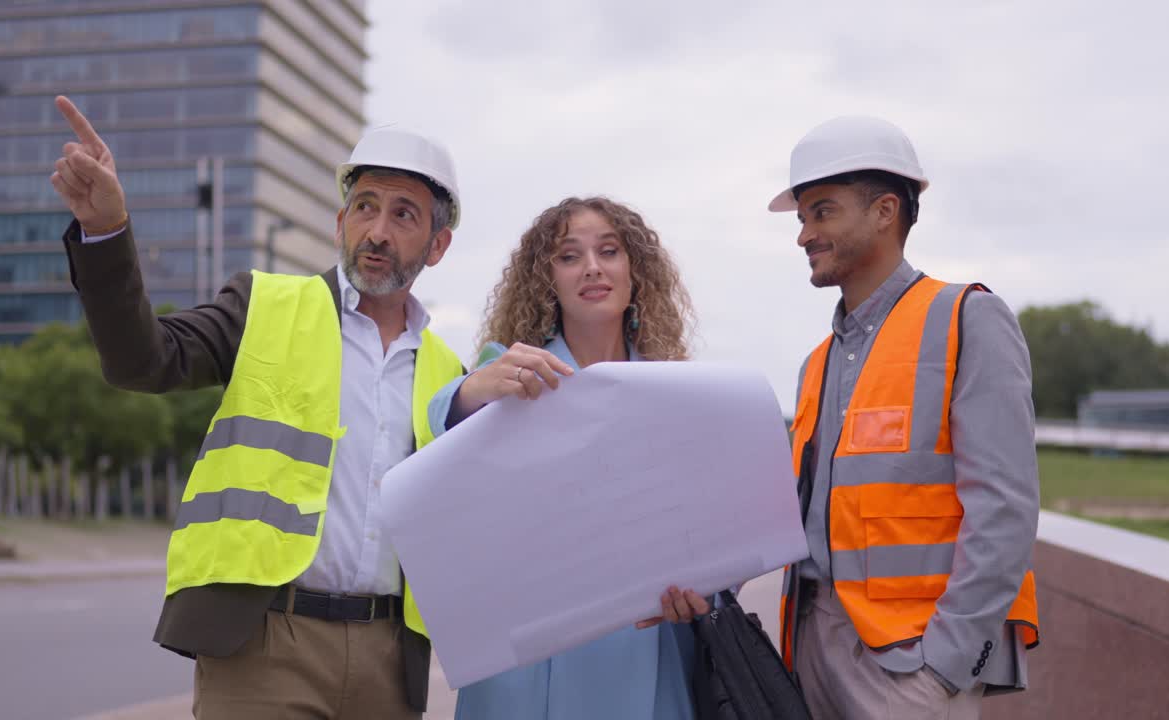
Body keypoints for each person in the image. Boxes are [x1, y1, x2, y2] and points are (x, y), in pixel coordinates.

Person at [48, 95, 467, 719]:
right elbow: (142, 360)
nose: (377, 231)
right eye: (365, 206)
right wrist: (106, 233)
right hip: (265, 644)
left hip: (389, 658)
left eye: (403, 214)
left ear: (437, 245)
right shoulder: (263, 306)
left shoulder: (449, 375)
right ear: (340, 222)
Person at [770, 116, 1041, 719]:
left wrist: (945, 667)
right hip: (810, 645)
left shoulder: (967, 319)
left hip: (911, 665)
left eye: (822, 212)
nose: (804, 234)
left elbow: (1004, 508)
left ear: (885, 211)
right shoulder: (817, 363)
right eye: (802, 218)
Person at [425, 196, 700, 719]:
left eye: (609, 251)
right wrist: (470, 391)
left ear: (635, 270)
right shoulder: (508, 375)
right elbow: (441, 432)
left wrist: (703, 594)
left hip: (647, 658)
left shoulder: (675, 393)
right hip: (526, 675)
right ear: (547, 280)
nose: (592, 267)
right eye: (569, 256)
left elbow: (711, 531)